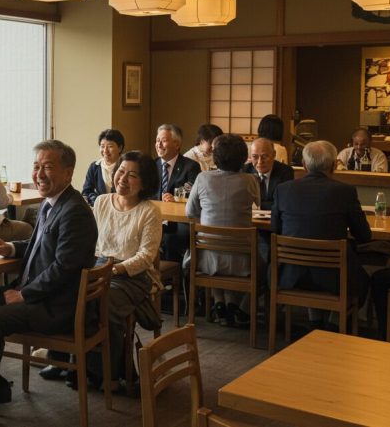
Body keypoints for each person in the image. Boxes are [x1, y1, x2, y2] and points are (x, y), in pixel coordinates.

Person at [0, 140, 97, 427]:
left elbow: (64, 268)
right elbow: (38, 245)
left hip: (57, 306)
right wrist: (11, 247)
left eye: (48, 167)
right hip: (39, 294)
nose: (39, 174)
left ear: (68, 172)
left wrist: (24, 294)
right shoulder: (52, 203)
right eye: (36, 166)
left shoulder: (75, 211)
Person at [271, 141, 371, 330]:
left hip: (290, 275)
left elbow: (275, 229)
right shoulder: (345, 192)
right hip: (334, 278)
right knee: (361, 278)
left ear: (304, 165)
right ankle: (335, 322)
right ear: (334, 165)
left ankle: (315, 321)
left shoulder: (283, 190)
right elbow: (364, 235)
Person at [85, 150, 161, 388]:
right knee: (76, 297)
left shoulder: (149, 211)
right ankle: (76, 363)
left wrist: (115, 270)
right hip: (99, 266)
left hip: (132, 275)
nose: (123, 179)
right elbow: (89, 241)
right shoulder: (101, 202)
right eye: (120, 171)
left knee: (105, 302)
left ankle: (110, 373)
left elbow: (146, 257)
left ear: (145, 182)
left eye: (132, 175)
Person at [186, 134, 260, 327]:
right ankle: (231, 304)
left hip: (206, 259)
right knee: (259, 256)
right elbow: (258, 205)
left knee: (215, 247)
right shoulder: (250, 180)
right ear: (243, 157)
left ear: (215, 156)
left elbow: (190, 212)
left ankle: (220, 303)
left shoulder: (203, 178)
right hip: (241, 260)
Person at [155, 124, 200, 265]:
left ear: (177, 144)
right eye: (157, 140)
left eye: (163, 141)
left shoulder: (191, 166)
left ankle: (173, 274)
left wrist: (175, 198)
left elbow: (194, 195)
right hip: (155, 217)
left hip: (179, 220)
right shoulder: (151, 166)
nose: (159, 145)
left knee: (171, 237)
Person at [242, 138, 295, 211]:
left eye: (264, 156)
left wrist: (256, 206)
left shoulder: (285, 172)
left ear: (274, 155)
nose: (260, 162)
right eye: (255, 157)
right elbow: (242, 202)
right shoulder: (245, 171)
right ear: (250, 156)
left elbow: (284, 202)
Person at [81, 129, 125, 206]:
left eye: (110, 146)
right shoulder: (95, 167)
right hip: (101, 207)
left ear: (120, 148)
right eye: (102, 146)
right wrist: (99, 201)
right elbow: (86, 191)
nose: (105, 150)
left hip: (122, 207)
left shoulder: (126, 166)